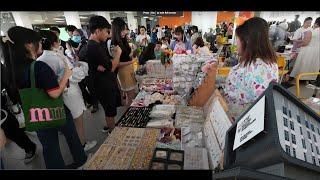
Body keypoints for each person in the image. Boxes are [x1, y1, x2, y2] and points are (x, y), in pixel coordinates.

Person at [7, 26, 87, 169]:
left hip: (36, 115)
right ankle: (81, 161)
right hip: (55, 109)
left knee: (50, 148)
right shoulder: (38, 66)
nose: (41, 44)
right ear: (29, 44)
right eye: (38, 41)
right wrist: (66, 76)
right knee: (72, 136)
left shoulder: (13, 70)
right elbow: (55, 92)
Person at [37, 30, 97, 152]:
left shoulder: (40, 60)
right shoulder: (58, 57)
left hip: (56, 95)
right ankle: (82, 144)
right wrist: (82, 67)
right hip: (69, 92)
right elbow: (73, 75)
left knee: (68, 123)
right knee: (78, 121)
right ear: (54, 42)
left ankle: (77, 146)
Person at [224, 17, 278, 120]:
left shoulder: (248, 70)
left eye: (237, 40)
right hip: (256, 120)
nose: (236, 44)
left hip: (240, 122)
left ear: (247, 41)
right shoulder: (270, 63)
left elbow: (232, 97)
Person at [86, 16, 122, 133]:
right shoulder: (94, 46)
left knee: (109, 109)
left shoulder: (96, 44)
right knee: (109, 109)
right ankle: (113, 132)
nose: (108, 35)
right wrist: (118, 54)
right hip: (103, 84)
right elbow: (111, 67)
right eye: (107, 31)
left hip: (103, 81)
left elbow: (104, 65)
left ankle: (111, 126)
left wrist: (98, 66)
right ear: (97, 31)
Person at [111, 17, 137, 106]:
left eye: (126, 29)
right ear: (117, 30)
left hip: (129, 70)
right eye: (123, 30)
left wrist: (132, 52)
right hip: (123, 72)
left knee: (131, 96)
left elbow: (125, 56)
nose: (125, 32)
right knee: (131, 97)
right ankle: (130, 117)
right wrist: (132, 62)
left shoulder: (123, 40)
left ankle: (130, 116)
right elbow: (116, 64)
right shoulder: (114, 43)